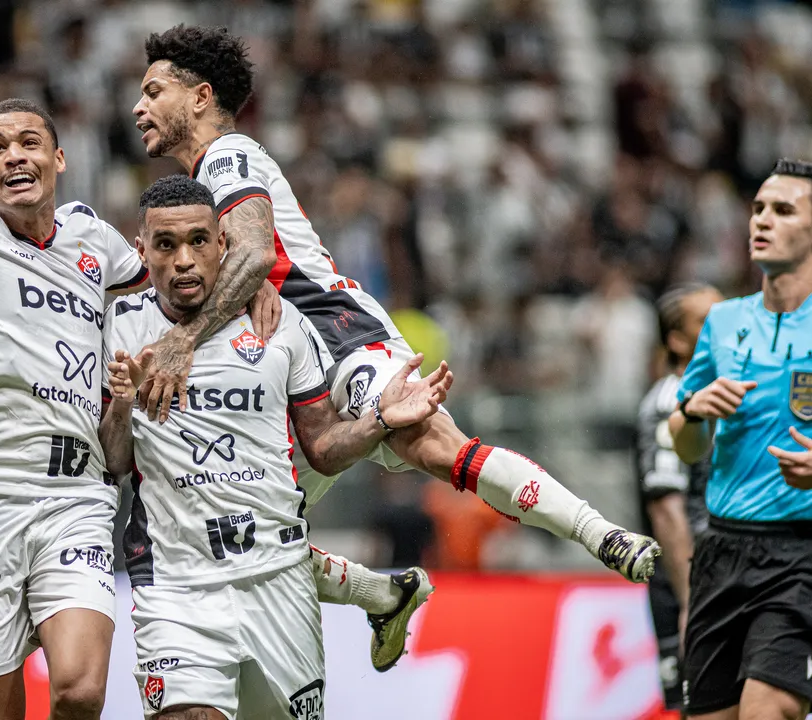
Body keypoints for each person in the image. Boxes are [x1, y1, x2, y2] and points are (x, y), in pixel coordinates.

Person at [130, 24, 660, 671]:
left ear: (200, 96)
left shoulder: (228, 155)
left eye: (154, 91)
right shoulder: (194, 191)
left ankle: (601, 535)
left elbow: (258, 250)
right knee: (239, 534)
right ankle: (384, 593)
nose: (139, 107)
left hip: (338, 335)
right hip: (285, 371)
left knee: (433, 445)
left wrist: (182, 341)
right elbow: (242, 263)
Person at [0, 22, 277, 719]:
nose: (14, 157)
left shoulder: (93, 239)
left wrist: (241, 278)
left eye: (28, 144)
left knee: (80, 691)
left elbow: (175, 274)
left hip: (78, 497)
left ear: (58, 159)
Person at [100, 175, 453, 719]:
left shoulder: (281, 321)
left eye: (199, 240)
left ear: (224, 243)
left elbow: (323, 447)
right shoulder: (119, 325)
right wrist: (121, 404)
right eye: (166, 245)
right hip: (175, 582)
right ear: (142, 250)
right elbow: (116, 462)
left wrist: (382, 419)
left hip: (278, 576)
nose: (185, 260)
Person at [670, 158, 812, 720]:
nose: (762, 220)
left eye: (782, 210)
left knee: (766, 709)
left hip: (802, 553)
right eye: (757, 209)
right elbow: (685, 445)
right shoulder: (724, 322)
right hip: (722, 550)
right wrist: (692, 412)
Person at [636, 283, 721, 713]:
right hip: (691, 582)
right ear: (677, 339)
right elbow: (666, 507)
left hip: (728, 577)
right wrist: (692, 601)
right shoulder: (669, 400)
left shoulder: (726, 394)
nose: (721, 325)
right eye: (706, 320)